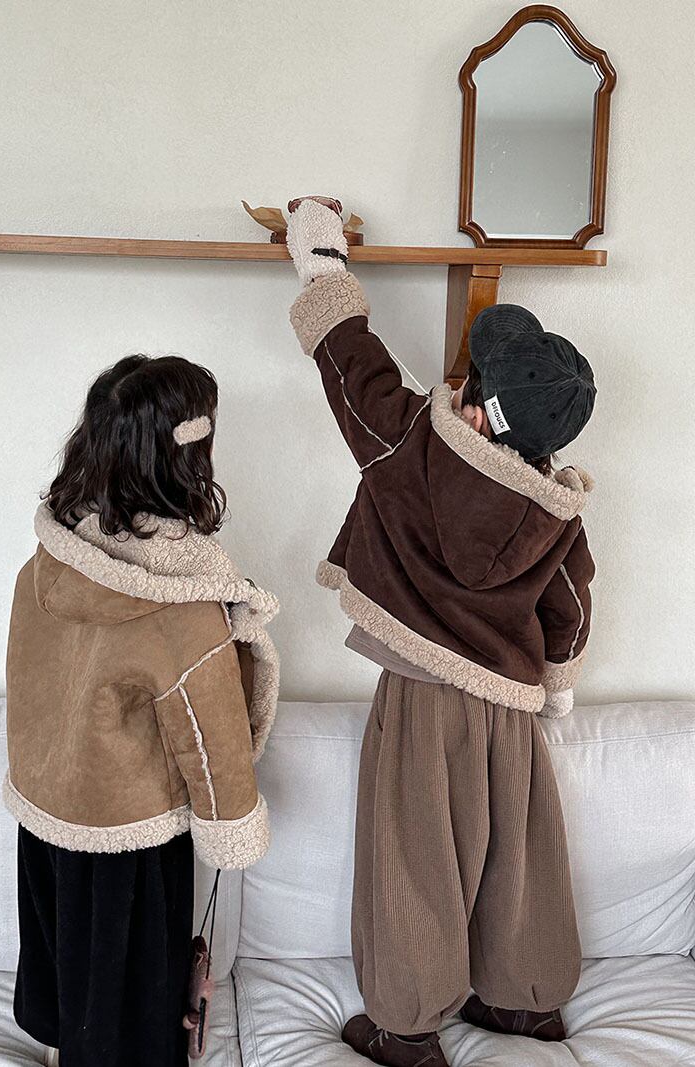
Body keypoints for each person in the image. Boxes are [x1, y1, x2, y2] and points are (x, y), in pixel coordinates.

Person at [286, 197, 596, 1067]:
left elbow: (351, 365)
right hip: (508, 706)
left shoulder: (409, 444)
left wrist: (321, 256)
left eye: (471, 376)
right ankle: (526, 1000)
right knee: (518, 855)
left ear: (480, 412)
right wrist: (556, 683)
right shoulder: (554, 506)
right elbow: (570, 603)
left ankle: (408, 1024)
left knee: (416, 856)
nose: (454, 380)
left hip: (422, 698)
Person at [3, 354, 279, 1067]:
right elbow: (212, 737)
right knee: (127, 1003)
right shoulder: (180, 610)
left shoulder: (47, 566)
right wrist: (230, 822)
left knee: (69, 969)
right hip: (131, 842)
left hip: (46, 822)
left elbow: (30, 682)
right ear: (185, 459)